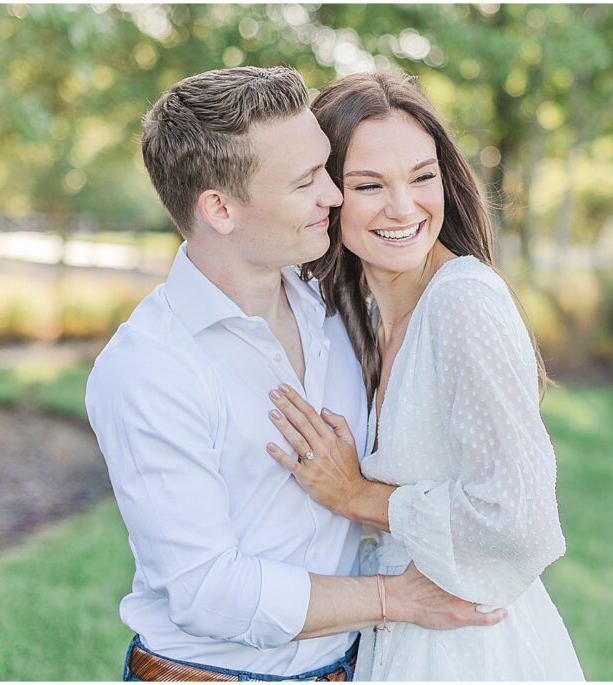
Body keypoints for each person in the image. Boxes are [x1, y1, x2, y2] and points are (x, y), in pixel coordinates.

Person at [85, 66, 504, 683]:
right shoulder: (148, 367)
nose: (333, 197)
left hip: (352, 667)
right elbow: (207, 592)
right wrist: (395, 599)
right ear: (220, 209)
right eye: (306, 182)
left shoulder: (334, 307)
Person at [264, 71, 585, 680]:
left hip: (469, 648)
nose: (404, 207)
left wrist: (358, 495)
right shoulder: (357, 315)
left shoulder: (462, 302)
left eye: (422, 176)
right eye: (368, 185)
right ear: (327, 195)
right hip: (400, 634)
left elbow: (520, 520)